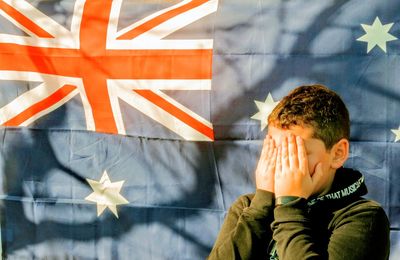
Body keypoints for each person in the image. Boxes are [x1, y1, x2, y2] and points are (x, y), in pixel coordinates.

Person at [208, 84, 390, 259]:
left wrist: (289, 206)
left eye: (295, 152)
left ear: (338, 154)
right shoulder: (248, 207)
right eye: (275, 150)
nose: (283, 164)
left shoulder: (363, 218)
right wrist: (260, 208)